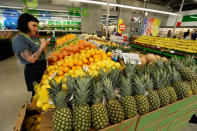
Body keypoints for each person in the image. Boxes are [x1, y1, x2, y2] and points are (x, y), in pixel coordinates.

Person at [12, 13, 49, 97]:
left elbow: (43, 54)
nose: (36, 28)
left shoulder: (33, 37)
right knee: (37, 94)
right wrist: (41, 46)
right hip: (34, 70)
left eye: (37, 26)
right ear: (25, 24)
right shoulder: (19, 39)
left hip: (42, 66)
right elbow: (31, 59)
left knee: (45, 91)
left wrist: (44, 46)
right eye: (34, 26)